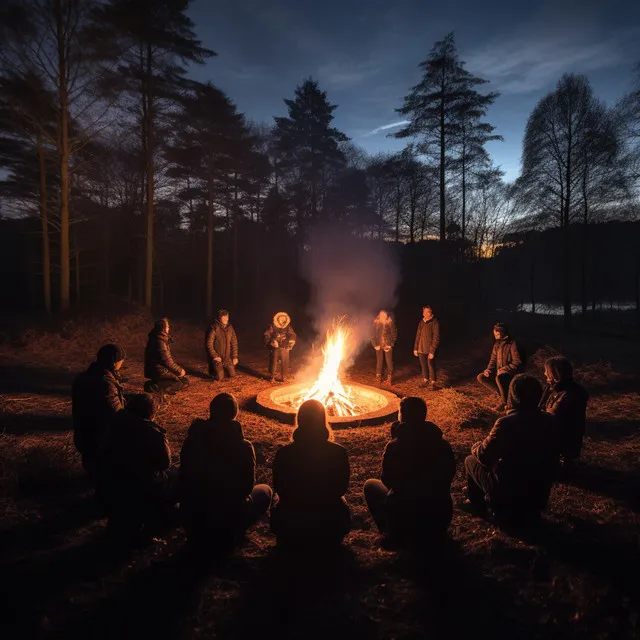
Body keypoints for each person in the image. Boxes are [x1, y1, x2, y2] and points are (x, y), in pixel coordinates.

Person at [179, 393, 272, 549]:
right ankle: (231, 533)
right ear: (234, 414)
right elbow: (247, 487)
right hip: (226, 518)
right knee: (264, 491)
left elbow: (184, 476)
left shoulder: (193, 439)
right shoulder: (243, 446)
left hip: (194, 516)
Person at [464, 374, 560, 524]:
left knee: (470, 460)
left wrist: (475, 446)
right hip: (539, 492)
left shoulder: (506, 423)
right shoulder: (550, 419)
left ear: (514, 395)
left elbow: (484, 457)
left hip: (509, 493)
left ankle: (478, 505)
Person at [364, 397, 455, 544]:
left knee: (370, 485)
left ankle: (391, 532)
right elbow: (449, 475)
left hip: (407, 515)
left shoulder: (395, 446)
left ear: (402, 416)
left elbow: (387, 480)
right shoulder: (442, 443)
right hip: (439, 516)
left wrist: (396, 439)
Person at [271, 399, 351, 548]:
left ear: (300, 420)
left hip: (292, 524)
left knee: (273, 497)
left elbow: (280, 488)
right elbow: (341, 489)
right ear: (322, 421)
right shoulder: (339, 452)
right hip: (329, 524)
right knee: (342, 501)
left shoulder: (284, 453)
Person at [99, 393, 178, 535]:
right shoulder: (153, 433)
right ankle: (165, 511)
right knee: (177, 473)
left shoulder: (114, 426)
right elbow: (165, 463)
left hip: (115, 483)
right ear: (151, 412)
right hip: (144, 484)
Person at [72, 343, 126, 480]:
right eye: (121, 360)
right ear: (113, 362)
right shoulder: (105, 384)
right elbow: (116, 413)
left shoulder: (86, 377)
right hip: (99, 439)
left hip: (84, 435)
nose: (122, 363)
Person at [540, 356, 589, 467]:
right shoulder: (554, 388)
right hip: (555, 432)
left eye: (546, 371)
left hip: (564, 438)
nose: (544, 374)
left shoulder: (571, 394)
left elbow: (554, 416)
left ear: (554, 373)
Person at [476, 322, 523, 411]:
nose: (494, 335)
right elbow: (493, 360)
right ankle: (504, 395)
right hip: (500, 373)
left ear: (501, 333)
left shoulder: (512, 344)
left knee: (499, 378)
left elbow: (518, 362)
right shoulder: (497, 344)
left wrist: (505, 369)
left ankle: (505, 402)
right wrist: (488, 370)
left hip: (511, 374)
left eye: (496, 333)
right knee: (481, 377)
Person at [144, 317, 189, 394]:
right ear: (163, 328)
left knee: (183, 379)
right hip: (158, 371)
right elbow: (167, 362)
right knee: (183, 382)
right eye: (167, 327)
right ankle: (156, 387)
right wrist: (179, 371)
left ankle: (157, 383)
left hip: (157, 370)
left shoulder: (158, 338)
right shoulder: (159, 342)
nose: (169, 328)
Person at [205, 309, 239, 381]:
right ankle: (214, 371)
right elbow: (209, 344)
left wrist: (234, 356)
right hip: (218, 358)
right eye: (224, 316)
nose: (226, 318)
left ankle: (224, 370)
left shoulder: (230, 327)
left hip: (227, 358)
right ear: (220, 318)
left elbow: (234, 343)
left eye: (227, 316)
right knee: (219, 378)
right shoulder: (214, 328)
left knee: (233, 375)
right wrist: (215, 356)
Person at [264, 312, 297, 383]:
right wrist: (272, 342)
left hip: (284, 346)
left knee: (285, 361)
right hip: (275, 347)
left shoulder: (288, 327)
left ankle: (284, 377)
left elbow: (292, 334)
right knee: (273, 362)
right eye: (281, 319)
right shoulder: (272, 326)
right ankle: (272, 376)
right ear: (278, 319)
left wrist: (291, 341)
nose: (283, 320)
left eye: (284, 319)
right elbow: (266, 336)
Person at [413, 305, 440, 389]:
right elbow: (418, 335)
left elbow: (436, 338)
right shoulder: (421, 322)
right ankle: (426, 380)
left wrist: (432, 351)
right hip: (421, 348)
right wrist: (415, 348)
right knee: (423, 365)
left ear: (430, 312)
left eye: (426, 312)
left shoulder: (434, 322)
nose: (424, 313)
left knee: (430, 365)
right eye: (423, 311)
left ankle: (433, 383)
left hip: (429, 349)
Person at [371, 310, 398, 385]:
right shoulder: (376, 323)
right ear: (379, 315)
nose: (383, 316)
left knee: (389, 362)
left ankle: (389, 379)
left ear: (386, 316)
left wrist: (390, 344)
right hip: (378, 345)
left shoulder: (390, 323)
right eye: (382, 315)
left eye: (384, 315)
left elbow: (394, 334)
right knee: (379, 361)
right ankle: (378, 378)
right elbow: (372, 335)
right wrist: (375, 345)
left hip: (387, 345)